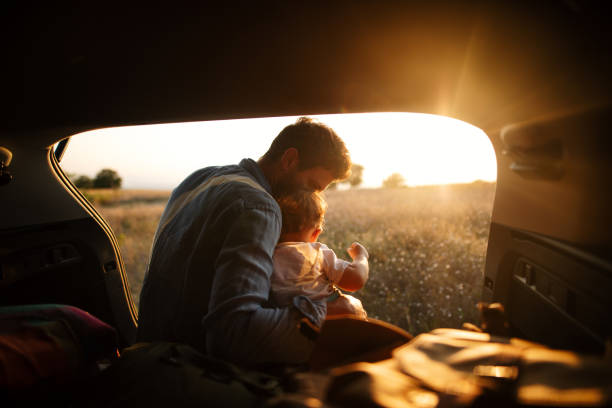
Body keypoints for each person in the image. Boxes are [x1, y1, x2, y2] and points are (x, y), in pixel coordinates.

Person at [137, 117, 366, 366]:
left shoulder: (197, 179)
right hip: (191, 369)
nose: (310, 196)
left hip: (149, 355)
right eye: (312, 185)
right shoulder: (259, 207)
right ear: (289, 160)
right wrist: (332, 312)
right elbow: (236, 335)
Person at [271, 190, 369, 320]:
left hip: (292, 327)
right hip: (335, 321)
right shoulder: (317, 252)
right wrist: (361, 257)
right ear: (316, 233)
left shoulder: (266, 257)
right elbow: (354, 281)